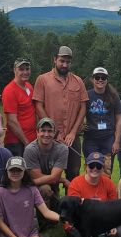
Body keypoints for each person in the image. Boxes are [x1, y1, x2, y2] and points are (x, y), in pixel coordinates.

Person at [0, 157, 60, 237]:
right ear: (6, 171)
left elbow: (46, 212)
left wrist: (64, 219)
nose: (15, 173)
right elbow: (0, 223)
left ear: (24, 172)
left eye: (19, 170)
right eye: (12, 170)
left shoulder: (32, 189)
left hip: (30, 234)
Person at [33, 46, 88, 182]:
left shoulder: (78, 81)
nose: (64, 64)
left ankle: (72, 201)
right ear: (55, 59)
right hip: (49, 137)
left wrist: (73, 132)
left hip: (71, 138)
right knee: (50, 175)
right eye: (62, 61)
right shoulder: (42, 79)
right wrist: (54, 132)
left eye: (68, 62)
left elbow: (83, 107)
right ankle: (52, 203)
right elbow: (38, 105)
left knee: (74, 173)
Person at [66, 152, 121, 237]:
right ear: (85, 167)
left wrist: (113, 224)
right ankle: (102, 236)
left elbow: (114, 207)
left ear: (103, 168)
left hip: (104, 218)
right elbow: (75, 211)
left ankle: (103, 235)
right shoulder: (75, 183)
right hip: (81, 221)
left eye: (98, 166)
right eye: (91, 166)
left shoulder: (108, 182)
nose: (95, 169)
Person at [23, 118, 69, 230]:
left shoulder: (62, 149)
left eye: (50, 131)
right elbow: (38, 177)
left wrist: (57, 179)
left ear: (54, 133)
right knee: (45, 189)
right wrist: (61, 180)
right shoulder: (30, 149)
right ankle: (42, 227)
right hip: (34, 187)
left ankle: (52, 216)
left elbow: (54, 178)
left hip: (51, 186)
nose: (46, 134)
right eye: (43, 130)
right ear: (37, 132)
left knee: (55, 217)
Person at [83, 67, 121, 177]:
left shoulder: (113, 96)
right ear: (92, 79)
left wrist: (117, 141)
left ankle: (105, 193)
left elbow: (119, 119)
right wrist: (81, 124)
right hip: (91, 139)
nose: (100, 80)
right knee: (90, 169)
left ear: (107, 79)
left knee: (106, 170)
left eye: (103, 77)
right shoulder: (87, 95)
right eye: (97, 77)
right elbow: (79, 112)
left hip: (108, 138)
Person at [2, 58, 37, 156]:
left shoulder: (29, 86)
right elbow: (12, 121)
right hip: (17, 142)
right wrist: (26, 142)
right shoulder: (9, 90)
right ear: (14, 70)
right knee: (20, 170)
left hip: (32, 139)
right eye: (21, 69)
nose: (25, 72)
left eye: (27, 69)